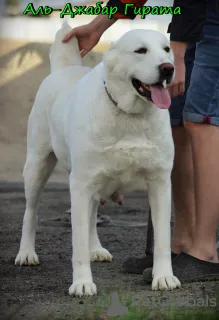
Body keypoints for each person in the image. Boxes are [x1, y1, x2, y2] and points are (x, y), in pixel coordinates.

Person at [63, 0, 219, 283]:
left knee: (202, 119)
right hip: (192, 18)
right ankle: (180, 242)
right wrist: (100, 24)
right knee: (177, 118)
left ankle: (205, 250)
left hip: (210, 17)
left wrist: (178, 54)